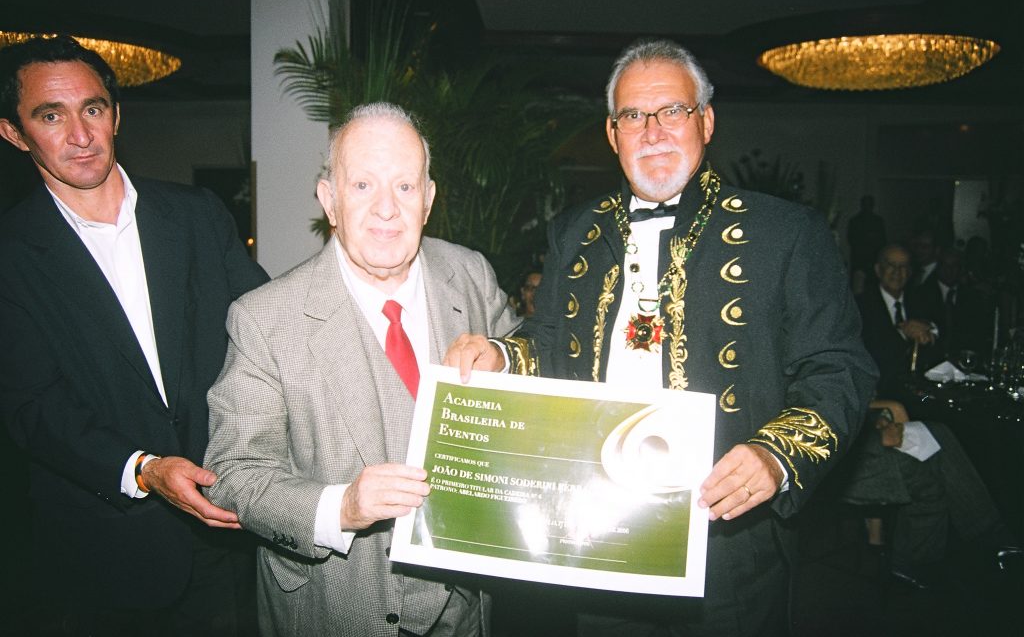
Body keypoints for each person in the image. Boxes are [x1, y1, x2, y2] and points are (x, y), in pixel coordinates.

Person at [445, 38, 877, 636]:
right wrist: (500, 354)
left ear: (706, 121)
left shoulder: (785, 232)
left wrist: (777, 456)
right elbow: (548, 338)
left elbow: (839, 368)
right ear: (612, 133)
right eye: (632, 116)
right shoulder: (575, 230)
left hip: (728, 537)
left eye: (672, 111)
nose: (652, 132)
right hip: (598, 526)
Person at [203, 102, 520, 637]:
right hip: (337, 608)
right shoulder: (264, 319)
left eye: (404, 186)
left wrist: (503, 356)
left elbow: (525, 359)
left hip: (469, 609)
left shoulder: (470, 274)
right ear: (330, 200)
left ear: (428, 199)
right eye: (363, 186)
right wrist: (341, 507)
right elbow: (235, 473)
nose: (386, 209)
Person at [0, 35, 268, 635]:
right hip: (106, 555)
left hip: (229, 532)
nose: (80, 135)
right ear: (14, 133)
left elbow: (267, 326)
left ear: (116, 115)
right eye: (51, 116)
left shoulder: (197, 214)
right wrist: (145, 469)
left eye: (92, 109)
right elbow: (33, 407)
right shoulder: (11, 255)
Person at [842, 400, 1021, 588]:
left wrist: (876, 416)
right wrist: (876, 437)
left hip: (857, 431)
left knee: (937, 433)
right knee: (926, 483)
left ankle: (992, 534)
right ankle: (911, 563)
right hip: (837, 457)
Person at [858, 244, 943, 397]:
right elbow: (871, 351)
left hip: (919, 392)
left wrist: (928, 329)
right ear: (878, 270)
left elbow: (942, 330)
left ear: (909, 272)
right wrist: (903, 332)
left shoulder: (921, 299)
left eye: (903, 266)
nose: (897, 271)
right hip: (879, 392)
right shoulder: (860, 305)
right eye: (891, 265)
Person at [846, 194, 887, 295]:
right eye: (866, 204)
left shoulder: (878, 221)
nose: (868, 207)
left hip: (874, 259)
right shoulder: (855, 221)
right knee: (858, 288)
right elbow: (852, 239)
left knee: (873, 287)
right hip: (859, 260)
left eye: (870, 204)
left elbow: (882, 240)